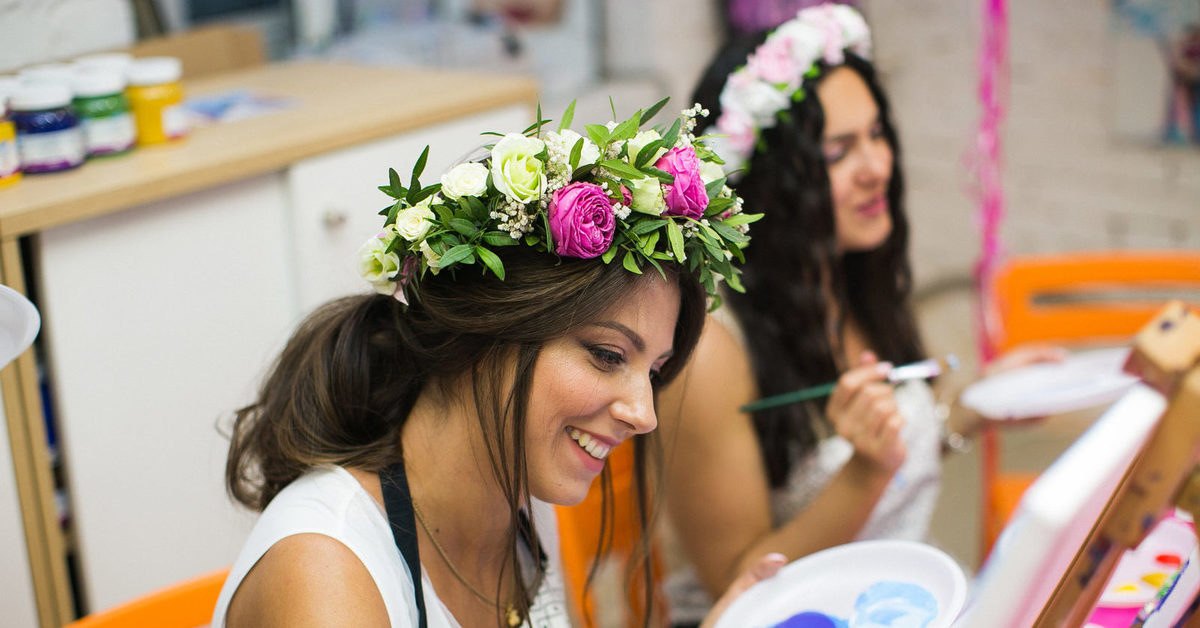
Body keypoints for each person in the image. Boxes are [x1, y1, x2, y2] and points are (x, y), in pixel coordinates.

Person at [209, 102, 780, 627]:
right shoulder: (323, 574)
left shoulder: (521, 496)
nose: (645, 414)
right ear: (484, 330)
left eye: (653, 371)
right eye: (608, 356)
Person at [658, 6, 1065, 627]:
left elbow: (896, 452)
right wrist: (864, 474)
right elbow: (739, 592)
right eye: (840, 150)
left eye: (877, 135)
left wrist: (967, 410)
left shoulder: (856, 286)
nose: (877, 166)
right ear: (768, 181)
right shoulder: (713, 352)